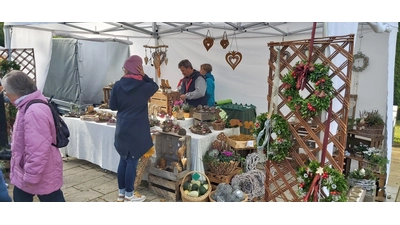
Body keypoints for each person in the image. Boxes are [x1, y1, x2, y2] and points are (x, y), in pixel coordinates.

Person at [1, 70, 65, 202]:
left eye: (6, 90)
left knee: (52, 198)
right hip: (29, 169)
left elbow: (38, 150)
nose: (5, 93)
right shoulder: (27, 104)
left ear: (16, 90)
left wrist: (31, 176)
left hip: (37, 172)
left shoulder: (33, 110)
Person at [109, 55, 159, 202]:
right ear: (139, 68)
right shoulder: (144, 86)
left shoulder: (118, 85)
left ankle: (121, 193)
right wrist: (145, 76)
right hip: (137, 128)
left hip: (122, 126)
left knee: (123, 159)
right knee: (132, 160)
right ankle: (129, 195)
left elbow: (113, 106)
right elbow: (155, 86)